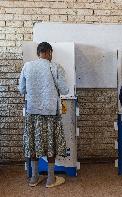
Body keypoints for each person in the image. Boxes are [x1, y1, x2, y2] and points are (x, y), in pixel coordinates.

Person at [18, 42, 69, 187]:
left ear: (38, 53)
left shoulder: (27, 66)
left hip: (32, 113)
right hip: (50, 113)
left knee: (33, 143)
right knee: (50, 144)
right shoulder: (55, 67)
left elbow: (21, 89)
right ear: (49, 52)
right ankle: (50, 179)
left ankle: (34, 178)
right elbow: (64, 90)